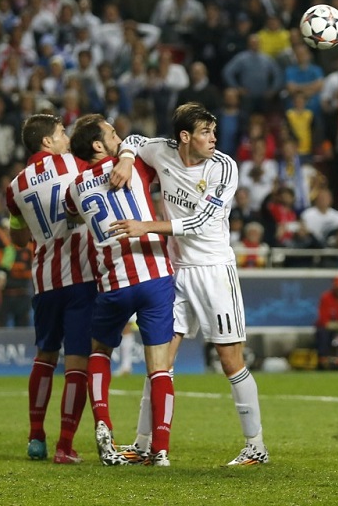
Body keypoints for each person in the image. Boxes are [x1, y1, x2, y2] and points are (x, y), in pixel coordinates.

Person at [107, 102, 269, 466]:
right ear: (184, 137)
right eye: (205, 132)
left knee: (230, 361)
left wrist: (146, 227)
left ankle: (255, 446)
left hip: (213, 270)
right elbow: (132, 138)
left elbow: (201, 220)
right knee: (158, 359)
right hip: (176, 271)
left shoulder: (224, 167)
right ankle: (143, 443)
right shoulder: (163, 151)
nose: (214, 138)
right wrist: (128, 158)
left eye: (213, 131)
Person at [5, 114, 118, 463]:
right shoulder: (76, 163)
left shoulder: (15, 187)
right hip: (81, 277)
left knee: (44, 356)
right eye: (60, 133)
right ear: (47, 143)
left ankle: (36, 437)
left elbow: (19, 238)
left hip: (43, 280)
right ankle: (65, 446)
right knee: (77, 363)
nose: (67, 138)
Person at [65, 114, 175, 467]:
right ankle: (160, 448)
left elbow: (70, 212)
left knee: (99, 352)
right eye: (112, 134)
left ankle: (103, 423)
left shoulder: (76, 188)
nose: (120, 137)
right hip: (154, 273)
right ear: (98, 145)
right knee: (159, 367)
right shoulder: (137, 169)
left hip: (113, 282)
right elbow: (148, 146)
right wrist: (128, 156)